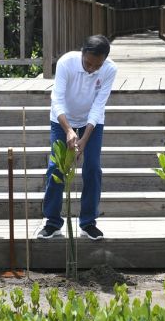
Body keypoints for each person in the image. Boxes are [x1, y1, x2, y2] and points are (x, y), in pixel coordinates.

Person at [38, 35, 117, 240]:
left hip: (92, 121)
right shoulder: (66, 63)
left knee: (92, 167)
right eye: (88, 63)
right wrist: (69, 130)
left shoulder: (110, 69)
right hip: (61, 118)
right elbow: (57, 99)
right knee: (56, 167)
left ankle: (88, 222)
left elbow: (99, 106)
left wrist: (84, 138)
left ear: (104, 60)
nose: (91, 69)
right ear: (82, 53)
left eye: (96, 66)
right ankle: (53, 222)